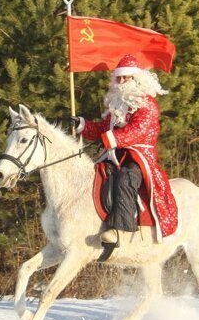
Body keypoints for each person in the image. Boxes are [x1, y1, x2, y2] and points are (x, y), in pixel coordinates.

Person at [72, 54, 178, 248]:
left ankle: (120, 229)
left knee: (126, 177)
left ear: (136, 79)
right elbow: (103, 129)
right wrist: (83, 125)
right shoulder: (118, 106)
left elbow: (138, 130)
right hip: (115, 153)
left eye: (125, 78)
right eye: (118, 78)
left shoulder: (147, 105)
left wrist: (114, 138)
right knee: (96, 175)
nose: (120, 82)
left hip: (137, 155)